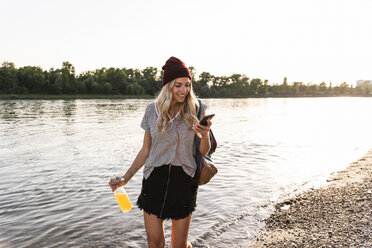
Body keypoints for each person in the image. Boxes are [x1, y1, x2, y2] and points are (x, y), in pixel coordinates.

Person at [109, 56, 212, 248]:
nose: (184, 90)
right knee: (155, 243)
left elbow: (203, 151)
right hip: (154, 180)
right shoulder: (151, 111)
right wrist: (126, 177)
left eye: (187, 85)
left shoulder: (196, 109)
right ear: (168, 86)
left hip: (184, 180)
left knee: (178, 245)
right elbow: (145, 150)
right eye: (178, 85)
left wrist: (204, 136)